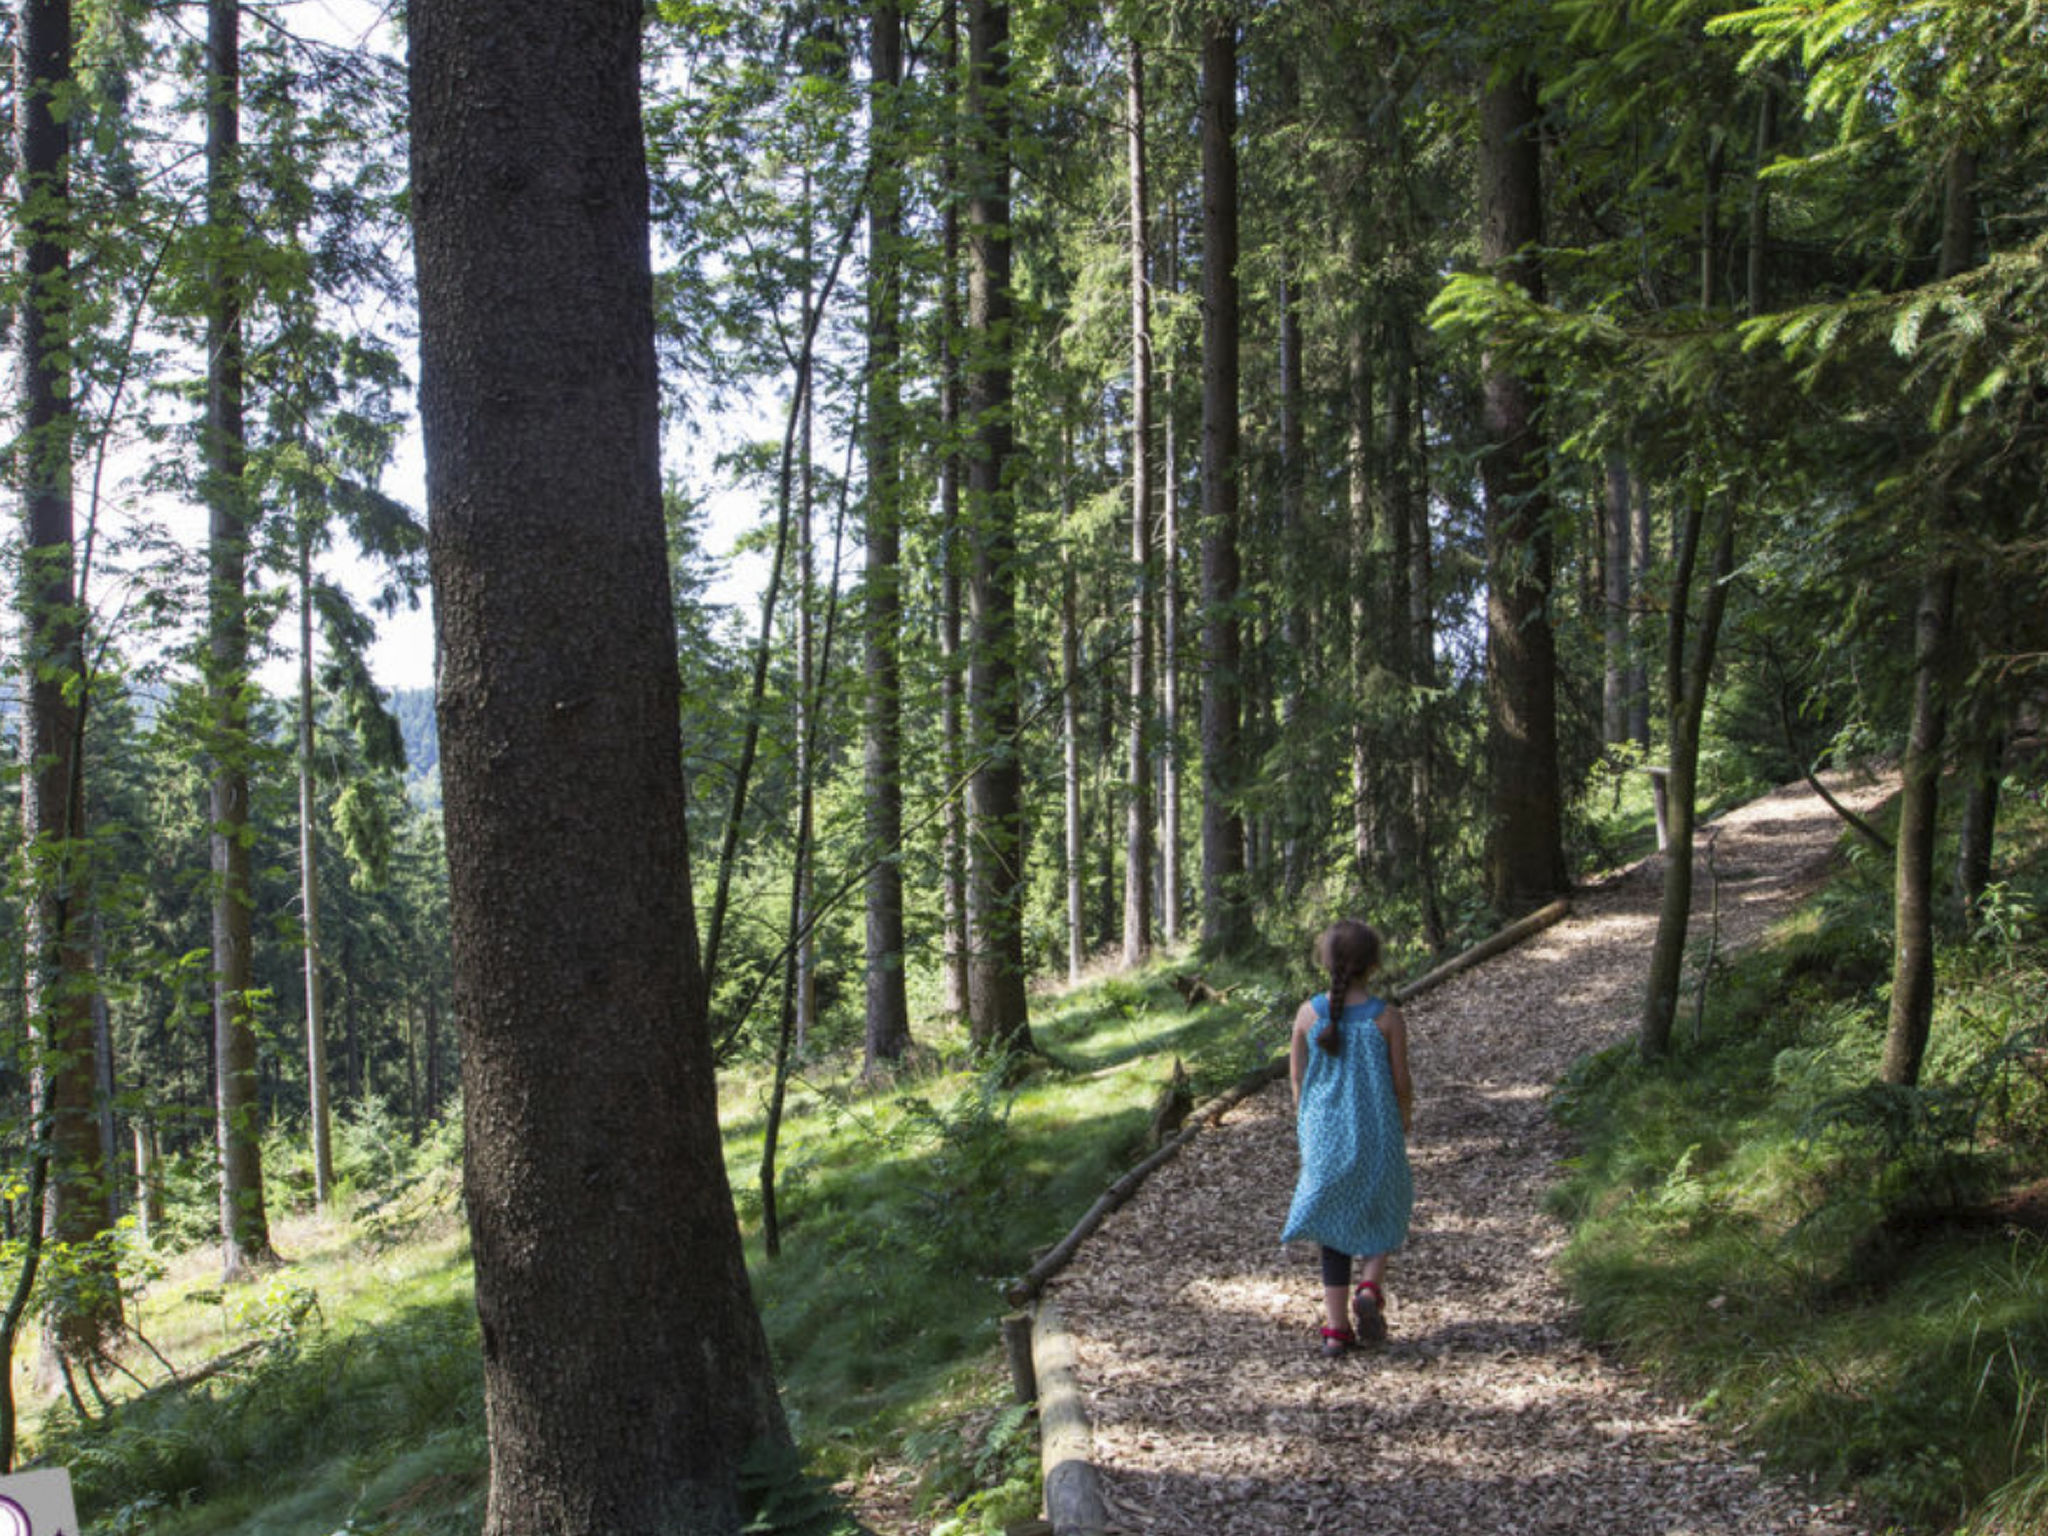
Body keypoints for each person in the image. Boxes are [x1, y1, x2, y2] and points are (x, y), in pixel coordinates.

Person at [1280, 918, 1414, 1357]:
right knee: (1385, 1212)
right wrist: (1405, 1120)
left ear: (1325, 962)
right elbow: (1401, 1083)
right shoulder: (1387, 1019)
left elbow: (1298, 1081)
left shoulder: (1307, 1014)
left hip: (1324, 1139)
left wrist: (1308, 1125)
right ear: (1374, 965)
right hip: (1377, 1135)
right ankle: (1371, 1288)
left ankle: (1336, 1329)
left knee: (1332, 1232)